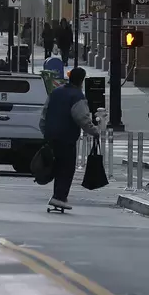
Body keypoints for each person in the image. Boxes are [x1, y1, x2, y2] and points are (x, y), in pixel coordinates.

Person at [40, 67, 100, 210]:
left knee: (58, 166)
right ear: (82, 80)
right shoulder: (77, 96)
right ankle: (59, 197)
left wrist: (45, 132)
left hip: (51, 135)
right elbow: (82, 118)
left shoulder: (55, 92)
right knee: (66, 168)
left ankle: (58, 195)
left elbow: (44, 114)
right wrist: (95, 131)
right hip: (66, 137)